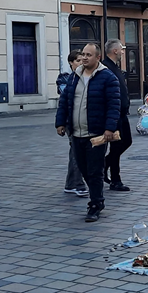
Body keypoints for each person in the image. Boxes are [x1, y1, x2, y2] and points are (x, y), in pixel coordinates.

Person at [55, 43, 121, 222]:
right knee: (83, 168)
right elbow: (65, 101)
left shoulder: (107, 77)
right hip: (76, 133)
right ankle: (95, 196)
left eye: (88, 55)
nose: (84, 58)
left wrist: (109, 128)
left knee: (94, 171)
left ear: (98, 57)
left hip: (96, 134)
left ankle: (95, 203)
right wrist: (60, 122)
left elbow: (114, 105)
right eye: (83, 54)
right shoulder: (74, 77)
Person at [102, 39, 132, 192]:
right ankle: (115, 180)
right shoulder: (106, 68)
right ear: (114, 51)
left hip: (121, 113)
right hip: (114, 114)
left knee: (126, 141)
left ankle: (105, 165)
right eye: (121, 49)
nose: (122, 52)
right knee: (117, 145)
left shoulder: (115, 67)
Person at [57, 50, 88, 197]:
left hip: (82, 120)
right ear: (71, 63)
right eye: (78, 61)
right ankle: (78, 184)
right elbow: (64, 102)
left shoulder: (85, 78)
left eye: (83, 60)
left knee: (75, 153)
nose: (81, 63)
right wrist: (60, 123)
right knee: (77, 153)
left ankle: (71, 184)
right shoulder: (66, 79)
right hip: (72, 121)